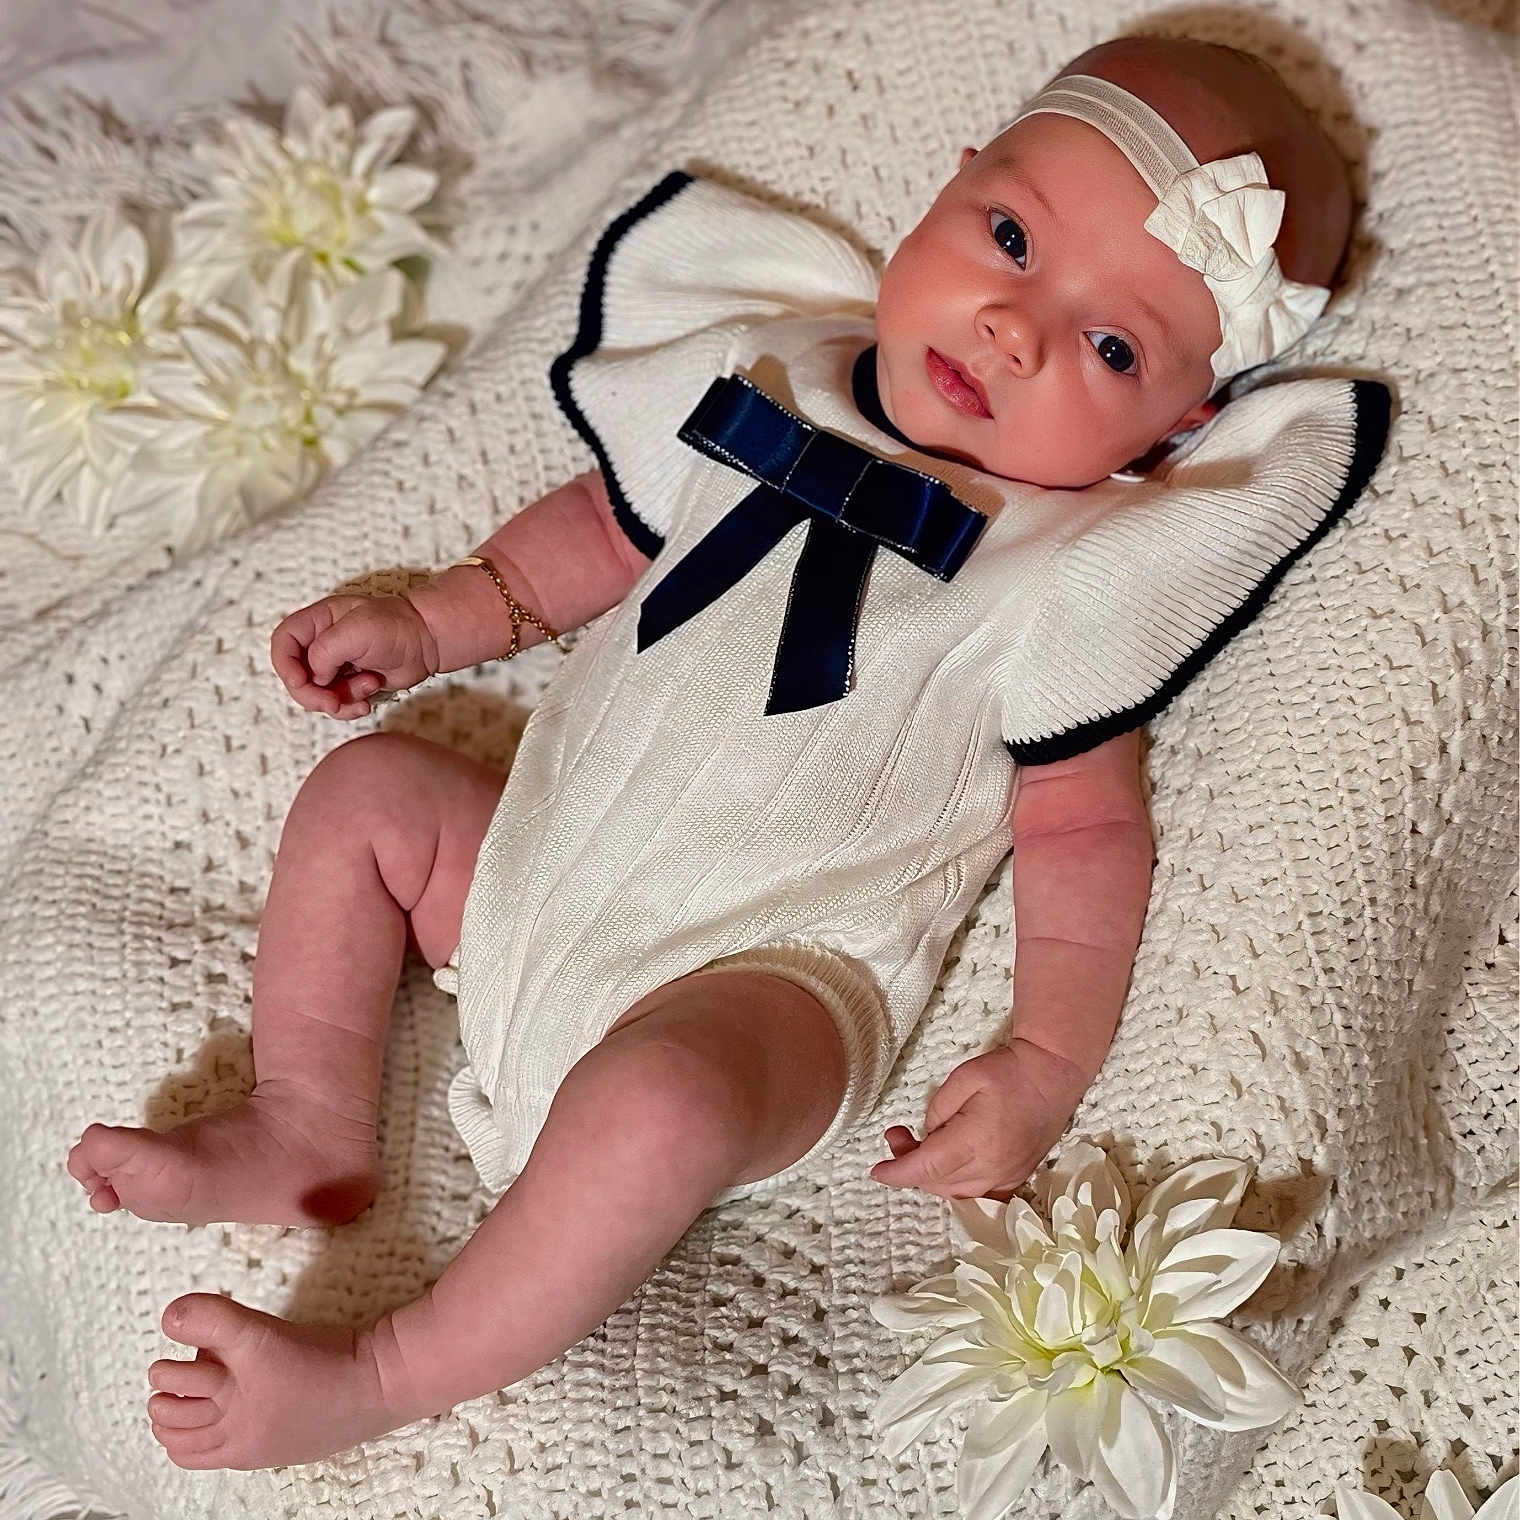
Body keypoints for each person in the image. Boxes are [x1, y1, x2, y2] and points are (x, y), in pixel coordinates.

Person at [66, 34, 1390, 1470]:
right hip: (526, 881)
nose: (1014, 326)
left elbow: (1082, 831)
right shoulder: (771, 365)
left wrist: (1043, 1060)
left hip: (771, 985)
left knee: (659, 1106)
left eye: (1112, 345)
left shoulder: (1064, 571)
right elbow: (602, 531)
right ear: (942, 192)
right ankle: (304, 1118)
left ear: (1177, 425)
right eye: (1008, 237)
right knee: (369, 791)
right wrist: (442, 618)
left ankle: (390, 1367)